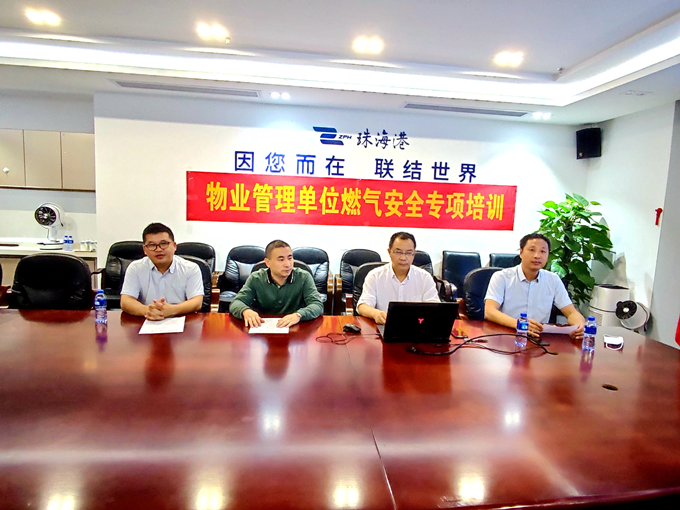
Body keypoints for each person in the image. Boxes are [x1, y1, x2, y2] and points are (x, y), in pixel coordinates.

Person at [484, 232, 585, 338]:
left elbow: (571, 313)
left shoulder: (553, 280)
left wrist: (580, 325)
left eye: (543, 251)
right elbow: (490, 311)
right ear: (521, 253)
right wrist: (520, 324)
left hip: (538, 337)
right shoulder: (502, 277)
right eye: (532, 250)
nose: (537, 256)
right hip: (506, 334)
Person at [229, 240, 323, 328]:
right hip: (263, 328)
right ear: (268, 262)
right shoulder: (256, 278)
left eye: (290, 258)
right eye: (281, 260)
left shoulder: (304, 277)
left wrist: (299, 315)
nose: (288, 264)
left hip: (295, 328)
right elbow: (236, 303)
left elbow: (317, 305)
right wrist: (245, 311)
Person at [121, 223, 203, 321]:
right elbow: (126, 301)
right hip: (147, 320)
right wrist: (148, 311)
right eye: (152, 245)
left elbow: (197, 301)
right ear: (145, 250)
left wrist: (172, 310)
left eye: (163, 244)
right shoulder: (135, 268)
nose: (158, 249)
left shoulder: (190, 268)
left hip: (182, 321)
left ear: (174, 246)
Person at [357, 232, 439, 325]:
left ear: (414, 254)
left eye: (408, 253)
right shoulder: (375, 276)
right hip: (384, 326)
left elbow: (435, 307)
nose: (403, 258)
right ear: (389, 252)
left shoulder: (425, 278)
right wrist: (376, 314)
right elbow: (362, 306)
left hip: (417, 327)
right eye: (398, 252)